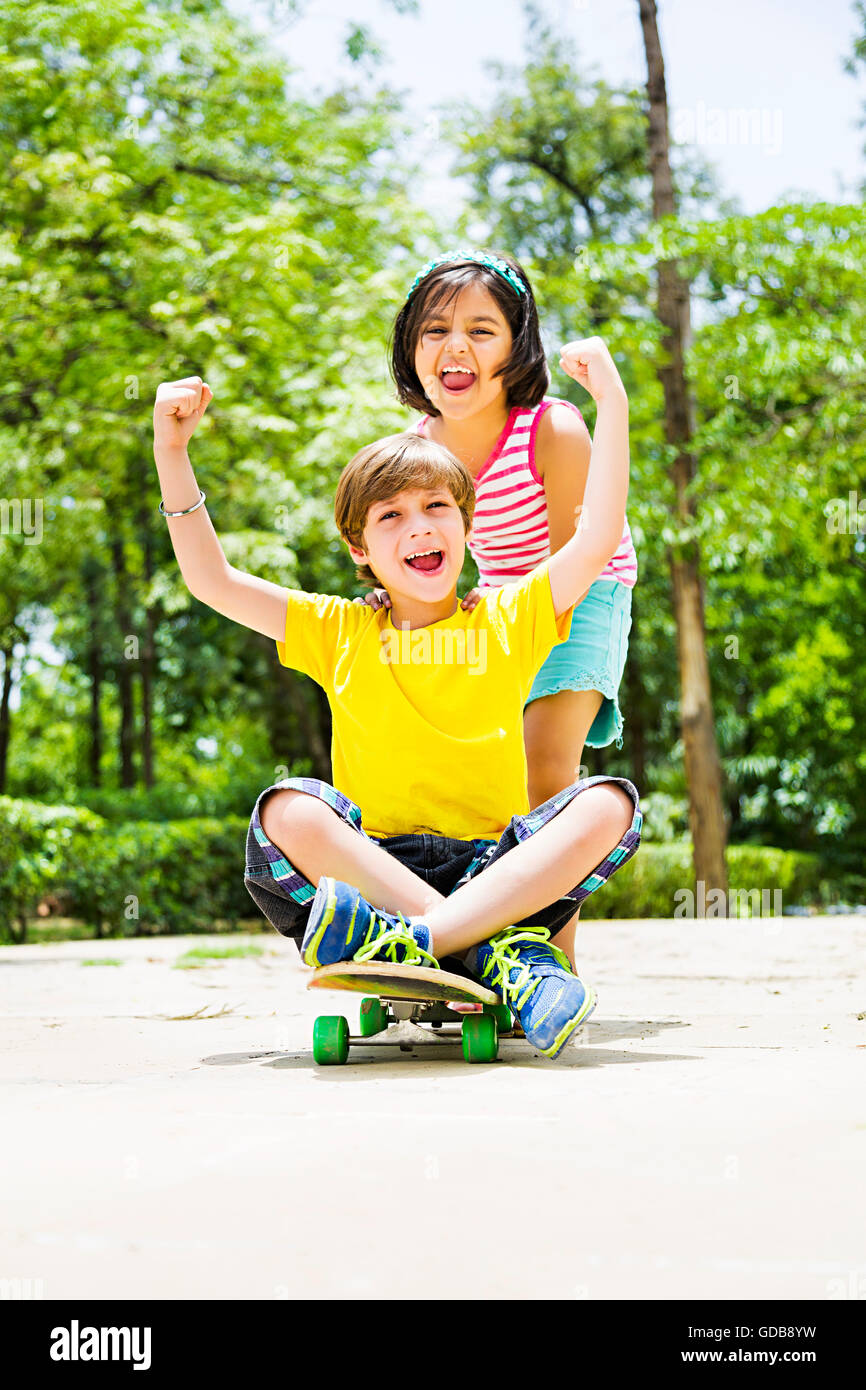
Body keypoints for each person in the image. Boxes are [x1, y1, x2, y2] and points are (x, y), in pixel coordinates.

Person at [150, 336, 642, 1062]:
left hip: (495, 871)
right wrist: (172, 450)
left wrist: (614, 405)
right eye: (391, 517)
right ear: (359, 548)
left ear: (467, 529)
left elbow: (598, 535)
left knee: (611, 803)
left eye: (437, 507)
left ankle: (420, 944)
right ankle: (487, 952)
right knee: (285, 809)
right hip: (374, 871)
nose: (419, 526)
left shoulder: (511, 617)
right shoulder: (336, 628)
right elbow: (211, 580)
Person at [361, 249, 638, 970]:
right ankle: (478, 935)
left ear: (518, 345)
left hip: (584, 591)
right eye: (435, 330)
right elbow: (411, 540)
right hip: (499, 605)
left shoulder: (553, 428)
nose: (456, 346)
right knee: (486, 781)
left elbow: (581, 552)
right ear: (409, 350)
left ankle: (554, 960)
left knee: (545, 771)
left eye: (481, 331)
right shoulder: (420, 447)